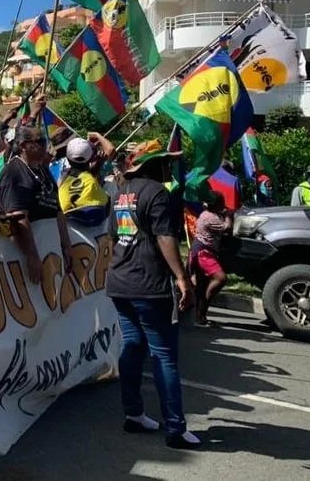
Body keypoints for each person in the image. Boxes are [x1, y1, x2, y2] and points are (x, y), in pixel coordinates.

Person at [105, 140, 199, 450]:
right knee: (164, 355)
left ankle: (134, 414)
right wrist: (182, 277)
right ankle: (175, 427)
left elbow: (113, 235)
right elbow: (164, 237)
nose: (169, 167)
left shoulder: (119, 191)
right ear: (152, 165)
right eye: (166, 162)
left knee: (132, 347)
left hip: (120, 282)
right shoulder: (157, 192)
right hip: (150, 285)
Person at [0, 125, 73, 285]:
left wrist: (66, 245)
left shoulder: (42, 170)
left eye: (45, 141)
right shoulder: (14, 173)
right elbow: (16, 218)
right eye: (40, 141)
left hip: (51, 251)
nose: (46, 146)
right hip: (28, 256)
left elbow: (58, 210)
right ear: (23, 145)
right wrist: (32, 256)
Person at [189, 192, 232, 326]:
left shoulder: (208, 214)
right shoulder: (210, 218)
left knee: (201, 285)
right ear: (216, 204)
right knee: (220, 278)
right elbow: (227, 227)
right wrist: (228, 215)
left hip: (203, 251)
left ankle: (200, 317)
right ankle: (202, 309)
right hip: (204, 253)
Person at [58, 136, 115, 224]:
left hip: (69, 227)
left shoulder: (61, 177)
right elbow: (111, 150)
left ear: (68, 158)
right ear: (91, 158)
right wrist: (97, 135)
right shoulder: (92, 179)